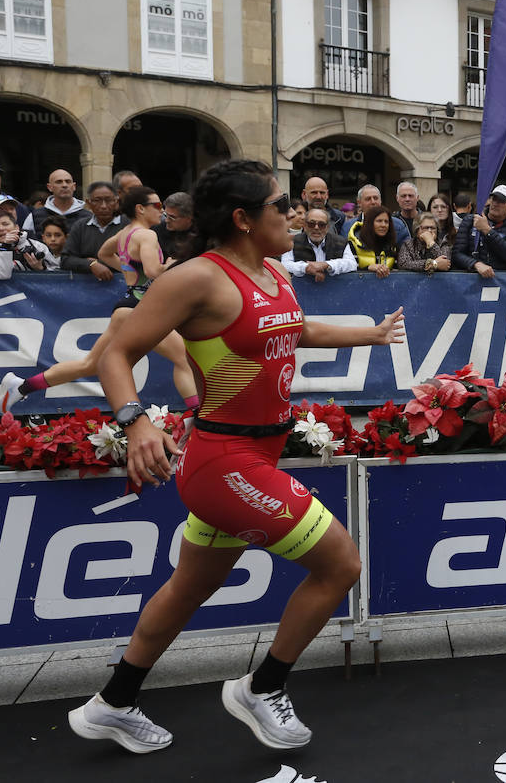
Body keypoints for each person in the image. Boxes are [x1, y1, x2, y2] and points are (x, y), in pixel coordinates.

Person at [66, 159, 404, 755]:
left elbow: (293, 329)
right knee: (341, 566)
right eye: (281, 206)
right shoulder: (196, 278)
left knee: (190, 587)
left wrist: (369, 334)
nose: (293, 214)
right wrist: (136, 419)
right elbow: (116, 354)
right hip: (224, 462)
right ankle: (261, 687)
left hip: (256, 455)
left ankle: (112, 703)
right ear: (244, 219)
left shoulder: (273, 271)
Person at [0, 187, 200, 414]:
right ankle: (195, 416)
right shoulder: (147, 235)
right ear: (140, 209)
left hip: (129, 305)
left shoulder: (124, 233)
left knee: (91, 364)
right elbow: (154, 272)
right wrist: (173, 263)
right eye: (157, 206)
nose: (161, 211)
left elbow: (104, 253)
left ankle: (22, 387)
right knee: (183, 357)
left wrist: (129, 274)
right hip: (140, 308)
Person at [453, 185, 506, 277]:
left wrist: (487, 230)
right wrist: (475, 264)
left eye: (501, 201)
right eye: (494, 199)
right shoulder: (470, 220)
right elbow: (457, 254)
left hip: (501, 281)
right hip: (471, 279)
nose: (495, 203)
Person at [61, 182, 127, 281]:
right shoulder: (80, 226)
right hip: (86, 289)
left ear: (116, 202)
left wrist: (98, 263)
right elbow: (66, 260)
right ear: (88, 203)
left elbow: (135, 261)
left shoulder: (128, 226)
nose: (104, 206)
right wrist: (90, 264)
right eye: (97, 200)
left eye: (109, 200)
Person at [281, 207, 355, 281]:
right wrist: (306, 268)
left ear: (327, 227)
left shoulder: (341, 242)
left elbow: (351, 264)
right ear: (305, 226)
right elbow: (285, 264)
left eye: (321, 224)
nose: (316, 228)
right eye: (311, 224)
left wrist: (327, 265)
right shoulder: (292, 241)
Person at [0, 206, 49, 279]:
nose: (1, 228)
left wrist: (40, 269)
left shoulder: (36, 245)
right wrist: (6, 246)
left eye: (5, 224)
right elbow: (3, 275)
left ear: (16, 227)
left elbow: (56, 272)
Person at [24, 168, 91, 233]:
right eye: (59, 182)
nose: (64, 185)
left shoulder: (89, 217)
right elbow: (25, 242)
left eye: (68, 181)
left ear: (74, 186)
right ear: (50, 187)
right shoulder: (34, 216)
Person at [347, 205, 398, 277]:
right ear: (369, 223)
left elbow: (397, 272)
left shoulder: (392, 246)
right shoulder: (354, 244)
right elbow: (349, 273)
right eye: (379, 221)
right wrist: (368, 268)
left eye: (386, 222)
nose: (383, 225)